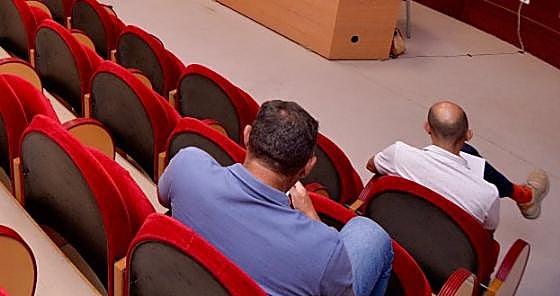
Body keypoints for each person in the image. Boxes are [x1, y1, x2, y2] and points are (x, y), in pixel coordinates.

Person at [160, 99, 393, 296]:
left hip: (186, 283)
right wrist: (312, 218)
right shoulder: (324, 248)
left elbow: (163, 197)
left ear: (247, 135)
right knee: (370, 233)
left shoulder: (187, 165)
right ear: (307, 167)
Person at [367, 101, 548, 228]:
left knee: (466, 153)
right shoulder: (487, 194)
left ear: (427, 127)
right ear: (468, 134)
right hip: (448, 256)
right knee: (467, 153)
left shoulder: (398, 154)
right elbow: (486, 230)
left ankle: (524, 196)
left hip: (397, 228)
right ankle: (524, 196)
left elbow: (371, 165)